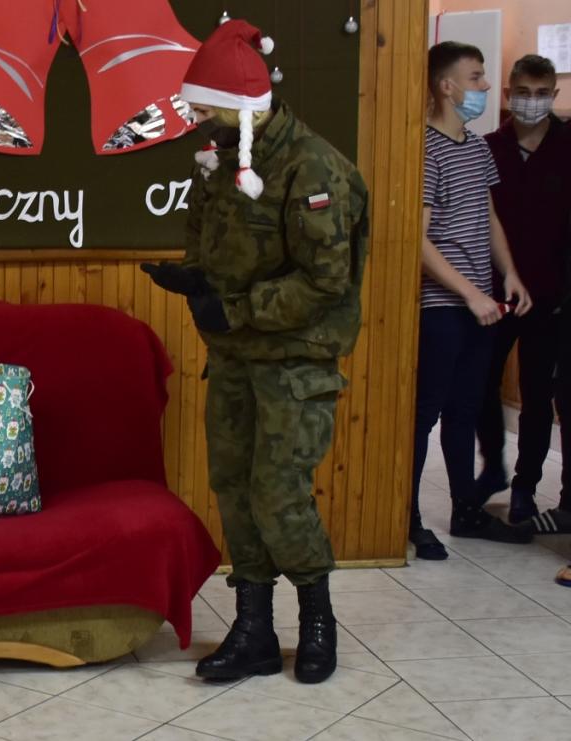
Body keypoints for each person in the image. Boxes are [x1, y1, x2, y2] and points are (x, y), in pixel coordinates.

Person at [142, 19, 367, 686]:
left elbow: (326, 281)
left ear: (243, 107)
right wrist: (195, 280)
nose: (196, 122)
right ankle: (254, 632)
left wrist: (235, 308)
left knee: (279, 495)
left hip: (295, 362)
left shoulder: (314, 167)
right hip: (235, 360)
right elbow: (210, 242)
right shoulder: (222, 157)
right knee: (235, 490)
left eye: (204, 109)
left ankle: (317, 620)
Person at [408, 41, 534, 561]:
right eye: (477, 77)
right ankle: (408, 519)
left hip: (481, 302)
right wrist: (469, 293)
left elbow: (489, 219)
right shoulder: (425, 149)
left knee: (465, 410)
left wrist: (510, 275)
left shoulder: (477, 147)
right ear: (447, 86)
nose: (485, 87)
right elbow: (417, 241)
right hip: (442, 306)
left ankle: (465, 511)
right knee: (425, 415)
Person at [476, 55, 570, 526]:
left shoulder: (568, 146)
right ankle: (492, 465)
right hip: (493, 293)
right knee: (480, 386)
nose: (532, 102)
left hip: (552, 298)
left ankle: (525, 488)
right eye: (524, 93)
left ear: (554, 95)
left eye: (541, 93)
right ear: (508, 94)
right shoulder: (488, 148)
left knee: (537, 395)